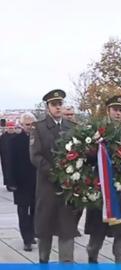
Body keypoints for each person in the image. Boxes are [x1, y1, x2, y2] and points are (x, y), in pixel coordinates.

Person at [84, 95, 121, 263]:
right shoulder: (97, 131)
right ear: (108, 111)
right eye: (115, 109)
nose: (118, 113)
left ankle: (120, 260)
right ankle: (92, 255)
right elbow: (87, 158)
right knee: (97, 228)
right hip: (100, 185)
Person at [30, 89, 80, 263]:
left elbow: (79, 153)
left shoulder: (72, 128)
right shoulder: (39, 127)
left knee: (67, 230)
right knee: (45, 231)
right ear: (48, 107)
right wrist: (55, 173)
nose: (58, 107)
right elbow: (35, 156)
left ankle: (67, 264)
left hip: (68, 189)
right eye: (54, 104)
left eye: (60, 104)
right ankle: (43, 262)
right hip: (47, 187)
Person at [10, 113, 37, 251]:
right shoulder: (15, 140)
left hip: (36, 181)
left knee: (35, 209)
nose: (30, 127)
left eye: (33, 124)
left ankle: (32, 234)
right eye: (27, 125)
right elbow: (10, 163)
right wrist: (11, 182)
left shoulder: (39, 139)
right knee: (22, 210)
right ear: (21, 125)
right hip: (21, 182)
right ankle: (26, 238)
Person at [0, 121, 16, 191]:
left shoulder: (17, 136)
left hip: (15, 158)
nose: (11, 129)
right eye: (9, 128)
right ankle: (9, 185)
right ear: (7, 128)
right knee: (7, 171)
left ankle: (15, 184)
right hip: (5, 158)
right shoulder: (2, 137)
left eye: (12, 128)